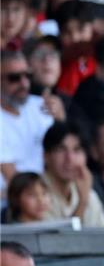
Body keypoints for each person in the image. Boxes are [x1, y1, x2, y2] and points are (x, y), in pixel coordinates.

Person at [1, 50, 60, 194]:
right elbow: (14, 181)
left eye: (28, 75)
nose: (24, 83)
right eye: (14, 78)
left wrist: (60, 117)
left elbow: (62, 150)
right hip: (13, 201)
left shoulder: (41, 106)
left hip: (44, 195)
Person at [41, 121, 104, 227]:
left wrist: (85, 197)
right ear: (45, 156)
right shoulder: (32, 194)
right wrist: (82, 203)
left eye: (77, 150)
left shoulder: (90, 196)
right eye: (61, 149)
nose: (69, 159)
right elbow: (55, 242)